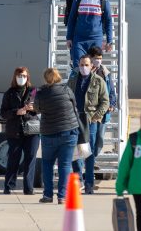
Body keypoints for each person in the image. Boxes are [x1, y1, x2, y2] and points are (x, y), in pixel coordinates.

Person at [33, 68, 81, 204]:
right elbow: (74, 105)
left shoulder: (41, 93)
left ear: (46, 79)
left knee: (47, 164)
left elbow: (37, 109)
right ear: (58, 77)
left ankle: (48, 195)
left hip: (49, 133)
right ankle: (62, 196)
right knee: (65, 165)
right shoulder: (67, 90)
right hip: (69, 132)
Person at [67, 54, 109, 194]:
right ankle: (78, 180)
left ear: (92, 66)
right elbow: (66, 97)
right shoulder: (72, 80)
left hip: (89, 120)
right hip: (74, 119)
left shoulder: (98, 81)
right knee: (75, 151)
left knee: (88, 152)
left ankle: (89, 183)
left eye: (86, 65)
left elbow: (105, 101)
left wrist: (97, 116)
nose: (83, 67)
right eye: (81, 65)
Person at [0, 67, 40, 195]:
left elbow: (42, 108)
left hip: (31, 131)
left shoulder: (34, 91)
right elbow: (3, 113)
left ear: (28, 77)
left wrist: (33, 108)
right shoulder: (9, 93)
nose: (21, 78)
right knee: (13, 159)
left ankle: (28, 188)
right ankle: (9, 186)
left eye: (23, 75)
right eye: (19, 76)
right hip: (14, 131)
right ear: (15, 77)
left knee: (30, 158)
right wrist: (16, 112)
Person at [65, 0, 113, 69]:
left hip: (96, 39)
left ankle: (94, 83)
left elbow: (108, 21)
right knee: (78, 66)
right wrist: (69, 37)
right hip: (79, 39)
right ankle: (78, 83)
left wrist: (109, 40)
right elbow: (72, 19)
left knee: (95, 66)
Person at [87, 45, 116, 159]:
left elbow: (112, 91)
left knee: (99, 138)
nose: (98, 61)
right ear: (90, 58)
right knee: (89, 137)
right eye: (95, 58)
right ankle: (88, 161)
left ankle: (92, 158)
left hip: (103, 111)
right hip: (90, 111)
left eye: (100, 58)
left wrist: (112, 104)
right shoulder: (84, 72)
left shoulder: (105, 72)